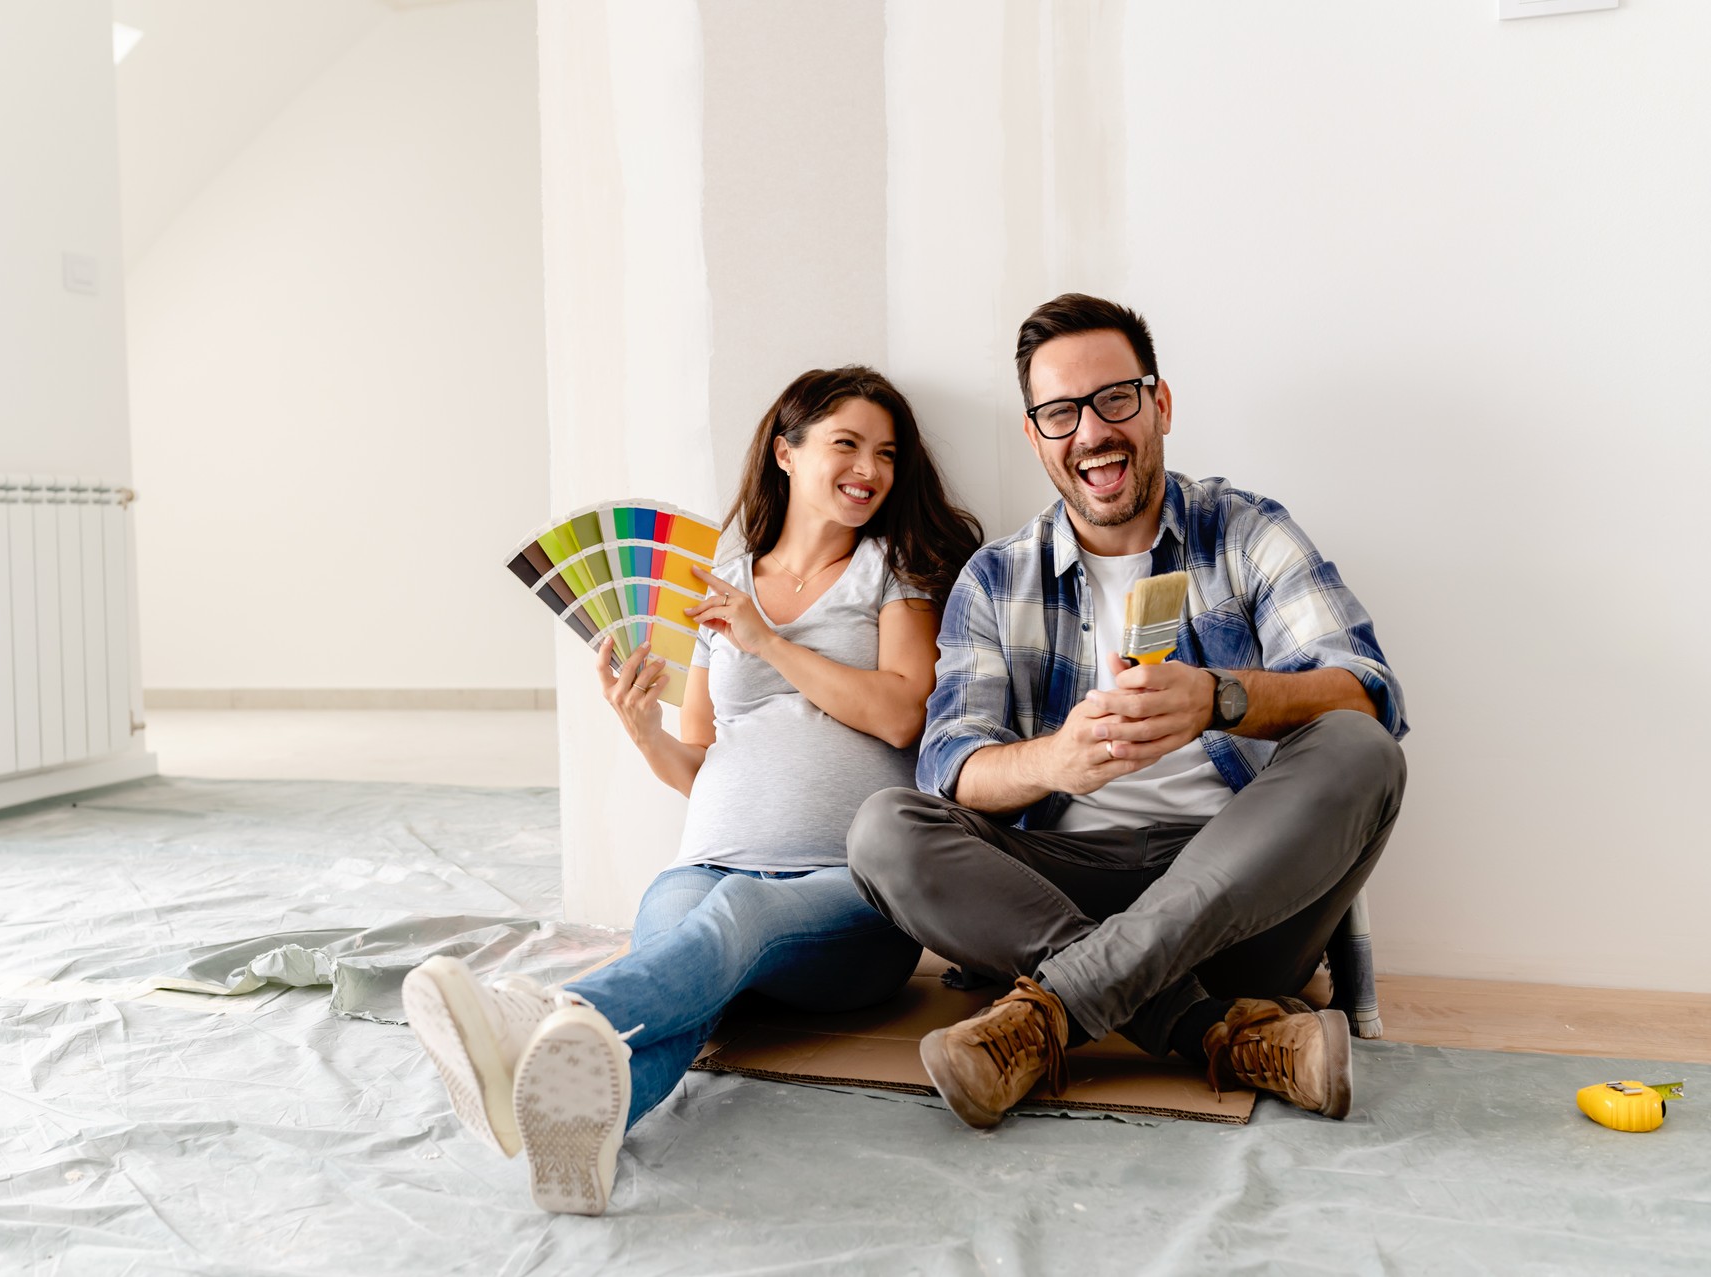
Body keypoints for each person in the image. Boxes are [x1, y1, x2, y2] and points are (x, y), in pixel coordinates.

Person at [404, 366, 982, 1214]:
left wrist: (766, 638)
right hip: (707, 863)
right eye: (846, 444)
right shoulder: (727, 570)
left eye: (886, 453)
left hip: (851, 896)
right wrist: (641, 728)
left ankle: (526, 1015)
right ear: (787, 452)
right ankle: (579, 1142)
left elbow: (902, 714)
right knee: (686, 983)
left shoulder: (891, 567)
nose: (870, 468)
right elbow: (700, 758)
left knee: (736, 917)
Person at [846, 294, 1408, 1129]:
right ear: (1035, 436)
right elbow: (950, 766)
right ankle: (1212, 1028)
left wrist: (1221, 697)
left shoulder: (1245, 530)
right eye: (1060, 413)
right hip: (1058, 893)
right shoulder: (997, 578)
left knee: (1363, 750)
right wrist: (1054, 760)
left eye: (1115, 398)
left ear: (1159, 404)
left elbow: (1365, 687)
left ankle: (1047, 1015)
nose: (1093, 432)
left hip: (1241, 888)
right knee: (882, 830)